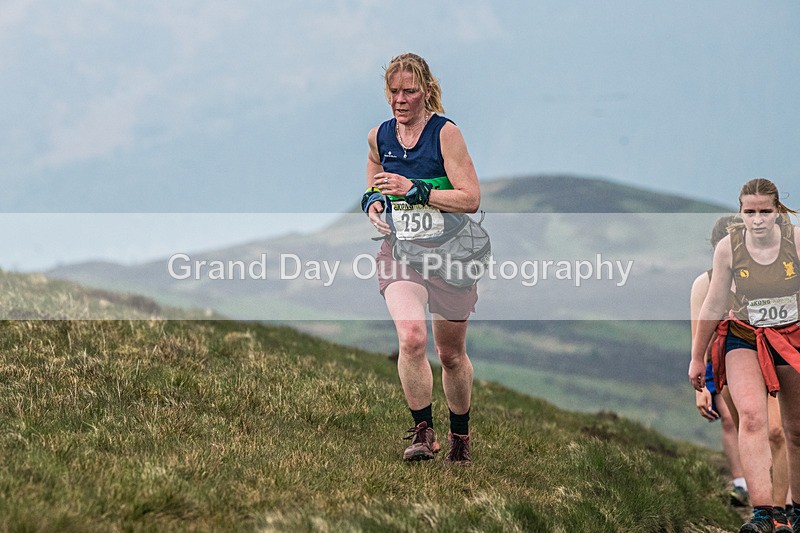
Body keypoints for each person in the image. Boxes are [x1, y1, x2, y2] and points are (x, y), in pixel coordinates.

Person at [362, 53, 480, 465]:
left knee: (450, 354)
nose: (400, 99)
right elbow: (375, 175)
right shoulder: (379, 136)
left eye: (409, 91)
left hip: (451, 256)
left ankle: (460, 437)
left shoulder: (445, 134)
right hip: (403, 252)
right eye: (393, 91)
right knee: (411, 338)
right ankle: (421, 433)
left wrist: (417, 190)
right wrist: (375, 202)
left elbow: (470, 199)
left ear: (426, 91)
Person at [689, 178, 800, 533]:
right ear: (740, 212)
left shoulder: (796, 242)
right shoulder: (727, 250)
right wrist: (697, 360)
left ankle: (793, 511)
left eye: (764, 211)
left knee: (791, 430)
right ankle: (763, 514)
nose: (757, 219)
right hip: (743, 339)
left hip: (790, 339)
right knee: (749, 420)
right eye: (749, 212)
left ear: (777, 211)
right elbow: (713, 304)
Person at [690, 215, 749, 507]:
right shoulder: (705, 282)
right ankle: (741, 484)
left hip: (755, 356)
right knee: (729, 419)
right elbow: (697, 334)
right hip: (717, 359)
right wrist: (701, 387)